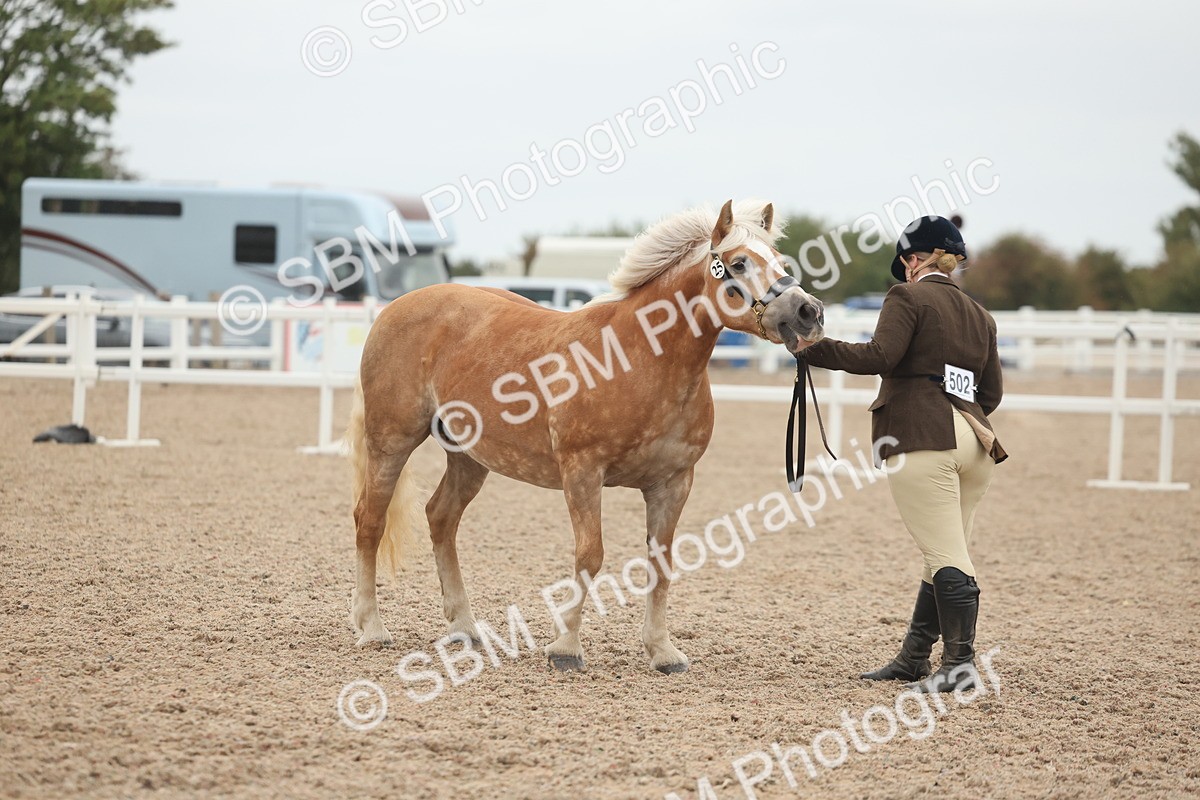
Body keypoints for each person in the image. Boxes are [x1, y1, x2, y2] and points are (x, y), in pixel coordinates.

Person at [803, 215, 1006, 693]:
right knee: (940, 554)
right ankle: (914, 657)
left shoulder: (907, 296)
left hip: (922, 437)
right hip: (976, 444)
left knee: (947, 554)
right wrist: (959, 410)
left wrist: (811, 348)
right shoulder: (982, 315)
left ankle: (959, 667)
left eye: (904, 261)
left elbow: (879, 356)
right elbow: (990, 392)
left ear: (914, 260)